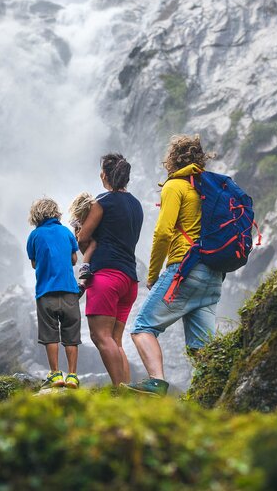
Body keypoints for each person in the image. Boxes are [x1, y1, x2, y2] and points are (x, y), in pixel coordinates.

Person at [127, 134, 223, 396]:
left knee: (143, 327)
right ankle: (216, 393)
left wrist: (153, 274)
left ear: (172, 159)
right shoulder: (209, 188)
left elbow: (163, 233)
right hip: (213, 274)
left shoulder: (175, 186)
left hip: (185, 268)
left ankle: (156, 382)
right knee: (201, 347)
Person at [77, 154, 143, 386]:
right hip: (129, 280)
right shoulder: (136, 204)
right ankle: (127, 390)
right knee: (115, 340)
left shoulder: (101, 202)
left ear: (104, 174)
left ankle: (120, 390)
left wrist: (88, 242)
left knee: (100, 336)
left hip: (106, 278)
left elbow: (83, 238)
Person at [27, 197, 82, 390]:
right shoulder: (66, 232)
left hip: (46, 292)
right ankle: (73, 376)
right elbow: (74, 259)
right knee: (71, 335)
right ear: (55, 213)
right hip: (69, 291)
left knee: (50, 335)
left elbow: (34, 263)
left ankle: (56, 374)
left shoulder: (34, 236)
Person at [68, 191, 96, 285]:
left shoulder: (76, 220)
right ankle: (84, 270)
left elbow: (77, 237)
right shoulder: (91, 216)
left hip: (81, 247)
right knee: (93, 243)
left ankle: (83, 282)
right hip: (87, 240)